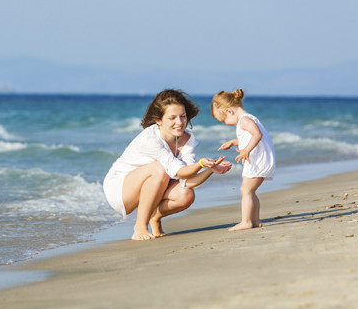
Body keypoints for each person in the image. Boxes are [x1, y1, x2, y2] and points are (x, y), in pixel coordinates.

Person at [103, 89, 232, 241]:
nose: (179, 122)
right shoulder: (150, 139)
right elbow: (177, 170)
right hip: (120, 189)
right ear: (159, 120)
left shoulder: (188, 140)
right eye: (172, 118)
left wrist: (210, 169)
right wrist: (200, 164)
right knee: (160, 169)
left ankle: (154, 217)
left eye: (183, 116)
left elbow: (188, 180)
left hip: (154, 182)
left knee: (186, 195)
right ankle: (140, 227)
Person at [211, 88, 275, 231]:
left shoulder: (245, 120)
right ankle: (255, 220)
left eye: (224, 120)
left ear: (229, 111)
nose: (226, 123)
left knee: (245, 190)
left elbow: (257, 135)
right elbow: (249, 137)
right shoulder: (248, 118)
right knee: (250, 191)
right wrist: (234, 142)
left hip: (257, 161)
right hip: (261, 160)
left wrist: (246, 150)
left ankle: (246, 222)